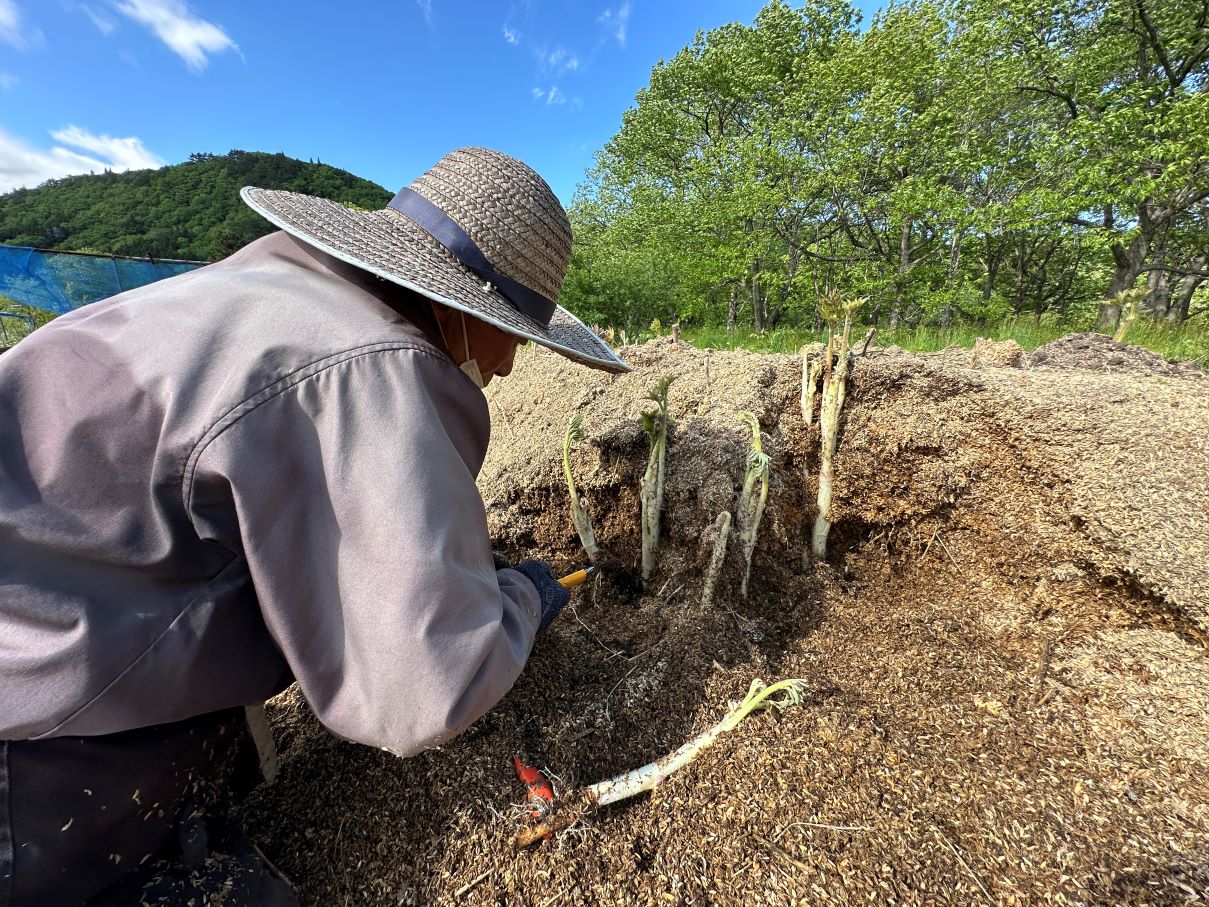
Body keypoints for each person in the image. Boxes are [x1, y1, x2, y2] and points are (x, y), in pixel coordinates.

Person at [0, 147, 628, 905]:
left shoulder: (261, 287)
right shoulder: (372, 366)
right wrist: (521, 600)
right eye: (515, 332)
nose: (511, 362)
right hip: (36, 729)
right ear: (462, 306)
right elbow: (426, 687)